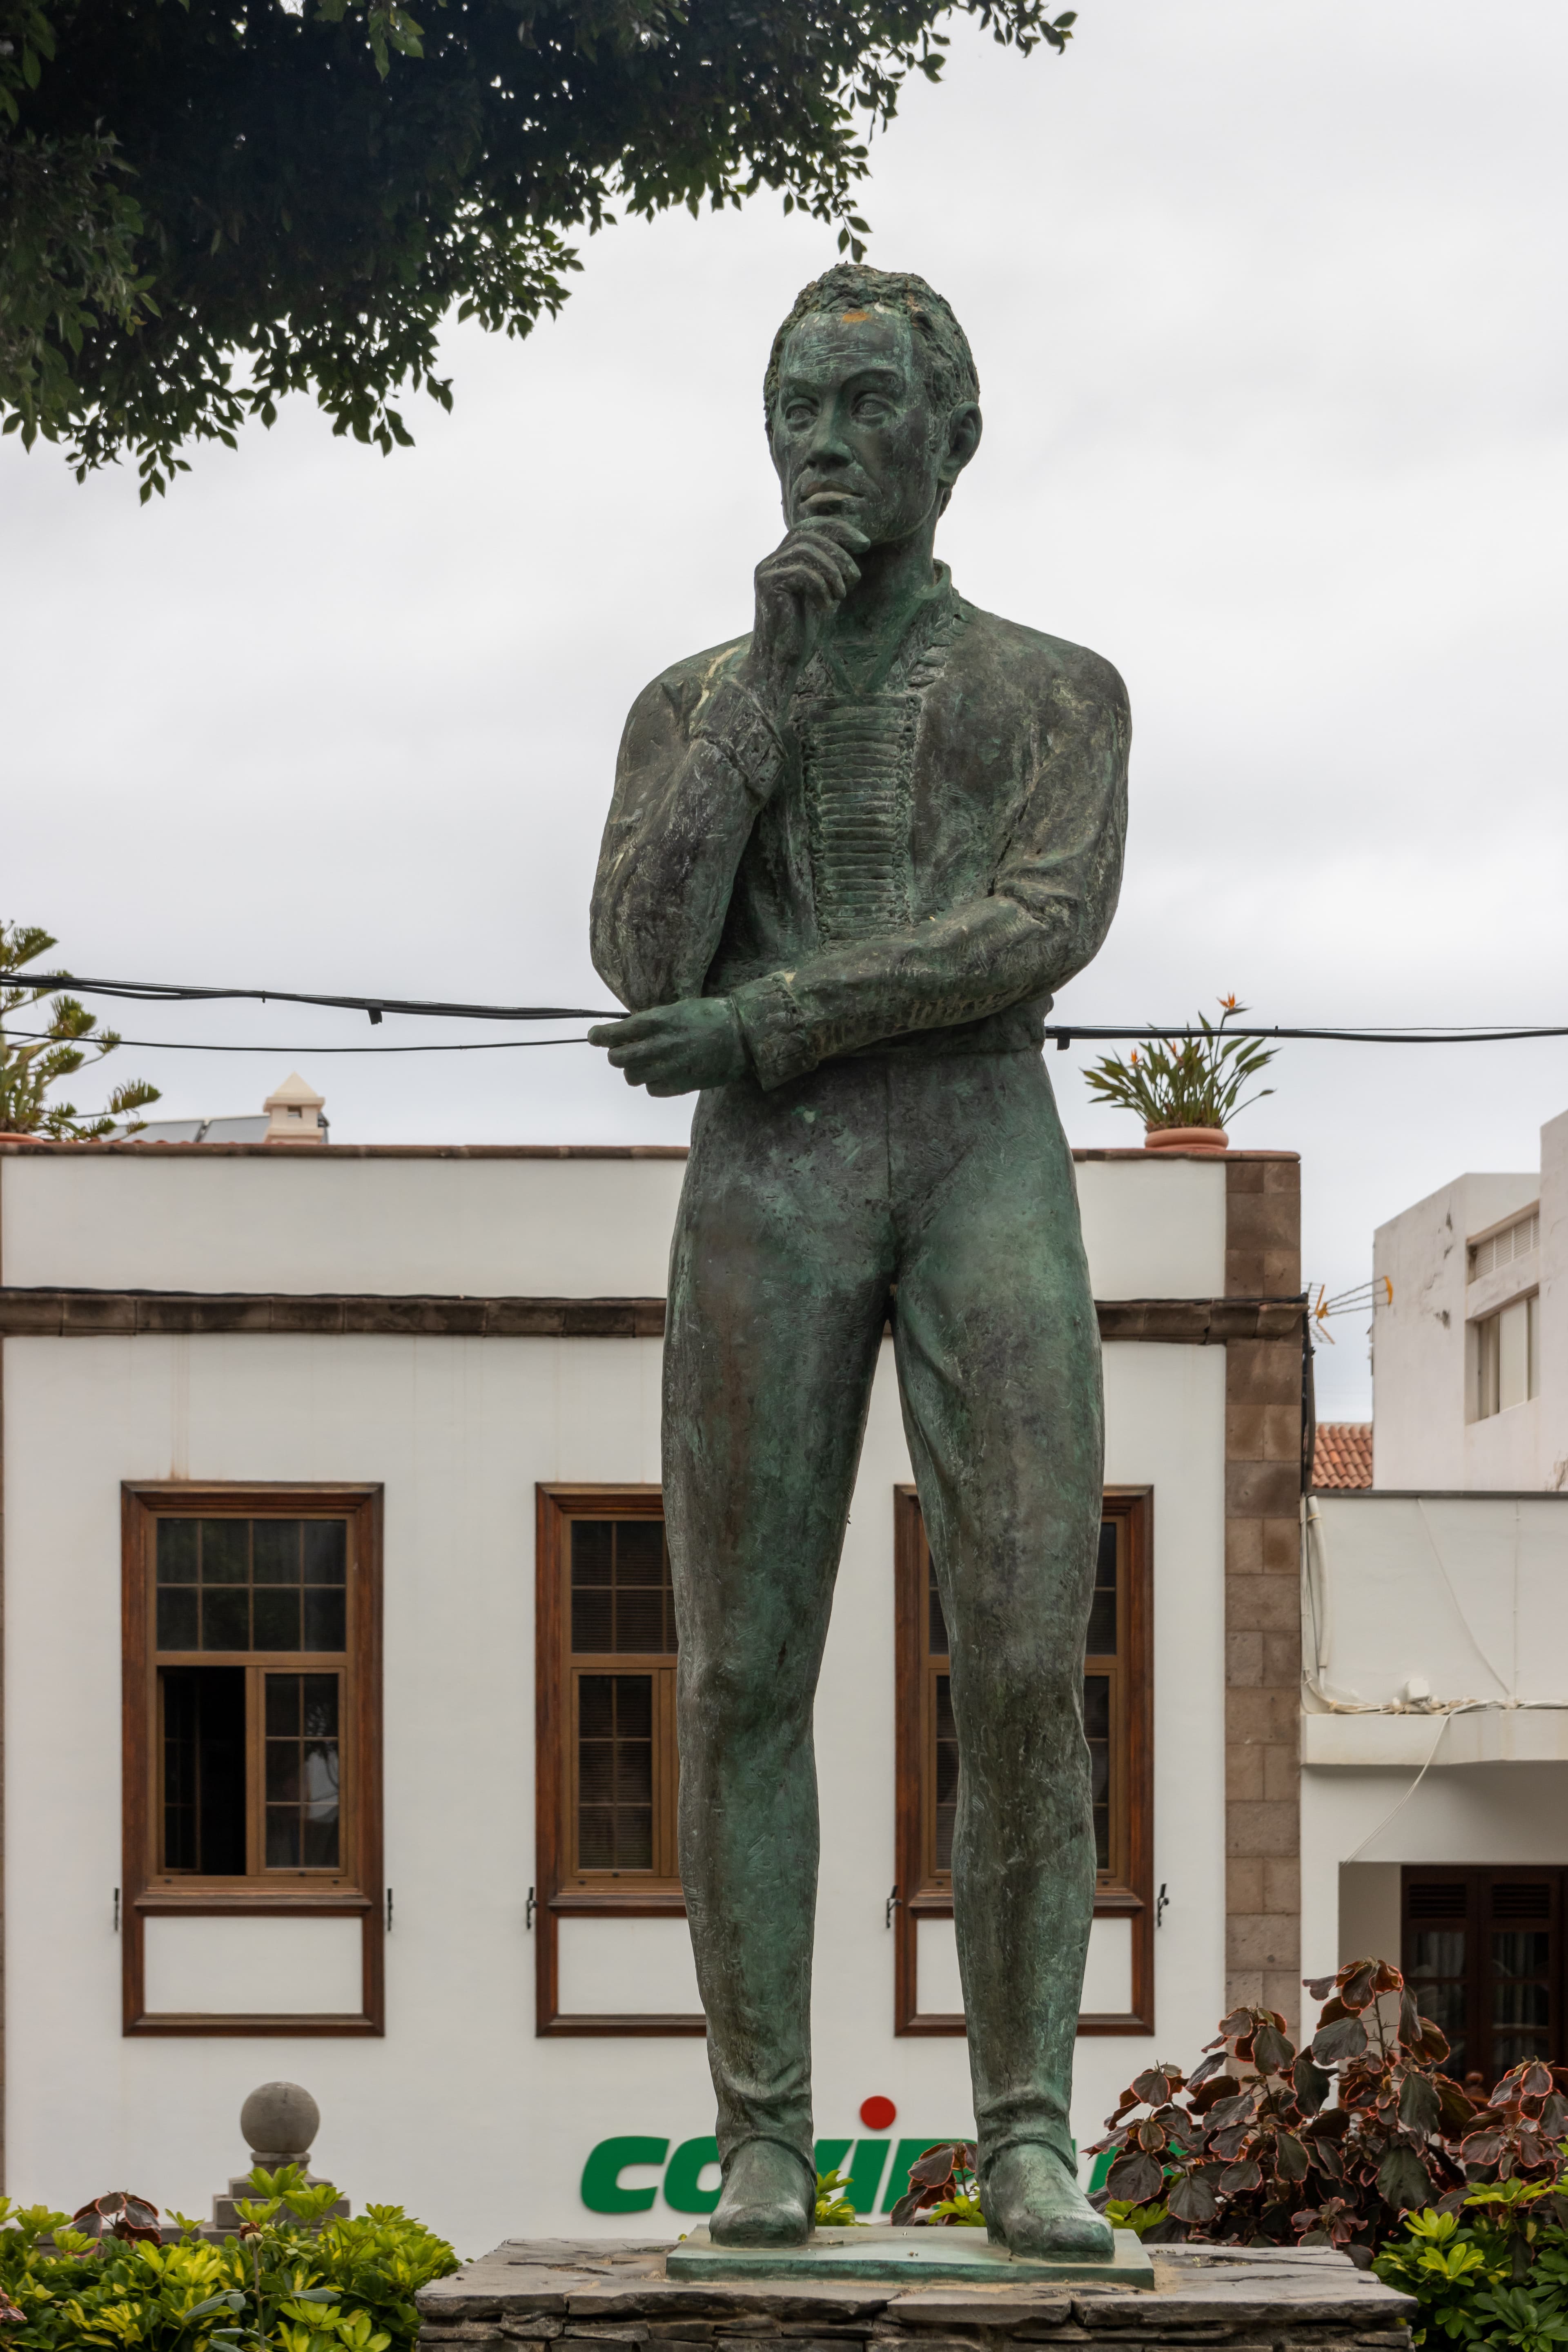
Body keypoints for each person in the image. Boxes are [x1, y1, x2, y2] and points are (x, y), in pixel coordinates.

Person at [589, 263, 1129, 2258]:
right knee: (740, 1666)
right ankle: (759, 2134)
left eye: (864, 407)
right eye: (796, 412)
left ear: (951, 438)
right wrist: (759, 700)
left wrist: (777, 1022)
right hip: (768, 1191)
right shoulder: (691, 700)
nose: (823, 446)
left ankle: (1024, 2132)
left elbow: (1033, 924)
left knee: (1016, 1664)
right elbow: (642, 957)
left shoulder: (1060, 692)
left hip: (981, 1155)